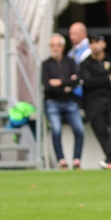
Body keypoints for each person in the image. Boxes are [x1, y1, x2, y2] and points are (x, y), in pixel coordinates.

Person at [81, 35, 111, 169]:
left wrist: (97, 79)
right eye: (92, 43)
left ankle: (110, 159)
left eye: (97, 42)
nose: (95, 46)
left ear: (104, 44)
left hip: (110, 99)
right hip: (93, 101)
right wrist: (106, 78)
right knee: (101, 131)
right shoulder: (85, 64)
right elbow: (88, 82)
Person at [42, 32, 83, 169]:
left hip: (70, 101)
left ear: (63, 47)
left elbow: (77, 81)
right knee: (56, 130)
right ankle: (61, 161)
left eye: (58, 45)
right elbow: (47, 86)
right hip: (52, 102)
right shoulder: (46, 64)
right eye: (52, 45)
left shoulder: (70, 62)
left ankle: (77, 160)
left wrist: (59, 82)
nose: (55, 48)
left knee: (79, 129)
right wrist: (66, 84)